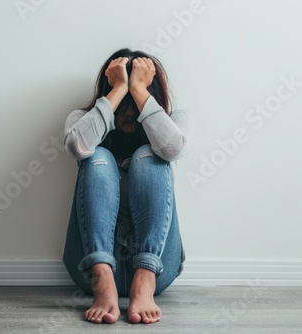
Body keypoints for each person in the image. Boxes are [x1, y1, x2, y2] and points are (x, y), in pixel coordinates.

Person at [61, 48, 195, 324]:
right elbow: (78, 147)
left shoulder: (176, 122)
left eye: (137, 100)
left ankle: (144, 281)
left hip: (157, 270)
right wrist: (120, 88)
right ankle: (102, 277)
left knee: (149, 156)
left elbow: (170, 149)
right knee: (96, 154)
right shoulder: (80, 119)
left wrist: (137, 89)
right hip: (90, 266)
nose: (130, 112)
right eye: (124, 102)